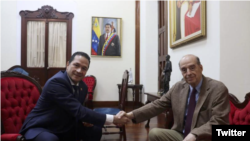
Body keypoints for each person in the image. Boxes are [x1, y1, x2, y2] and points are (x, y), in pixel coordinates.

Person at [19, 52, 129, 141]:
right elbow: (78, 110)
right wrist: (113, 119)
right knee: (50, 139)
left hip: (65, 126)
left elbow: (76, 111)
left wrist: (85, 120)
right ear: (67, 64)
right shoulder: (56, 82)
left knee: (95, 129)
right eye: (76, 65)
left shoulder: (83, 86)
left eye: (84, 68)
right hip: (42, 127)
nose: (79, 71)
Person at [119, 54, 230, 141]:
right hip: (181, 134)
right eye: (184, 70)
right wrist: (130, 115)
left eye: (192, 68)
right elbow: (157, 105)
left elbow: (219, 121)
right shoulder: (178, 87)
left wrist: (195, 134)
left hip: (203, 137)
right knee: (155, 133)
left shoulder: (217, 89)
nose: (188, 73)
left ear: (201, 68)